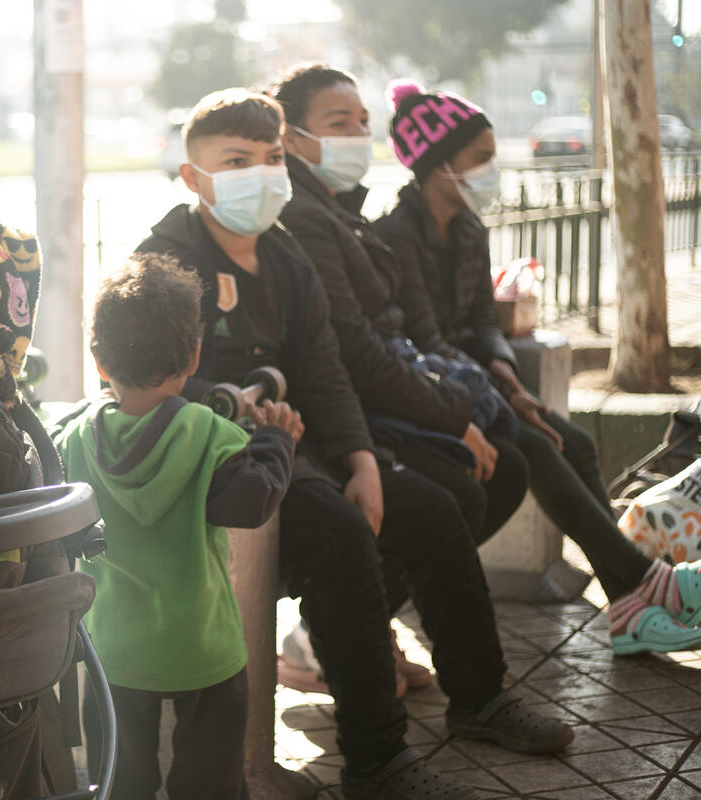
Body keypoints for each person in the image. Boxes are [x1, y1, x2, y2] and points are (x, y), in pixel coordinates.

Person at [137, 87, 572, 800]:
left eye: (271, 158)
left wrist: (365, 461)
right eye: (235, 161)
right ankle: (377, 762)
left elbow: (325, 371)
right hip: (225, 459)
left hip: (306, 443)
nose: (260, 173)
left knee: (432, 508)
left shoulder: (282, 254)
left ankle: (481, 700)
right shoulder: (166, 261)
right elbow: (152, 386)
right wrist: (256, 428)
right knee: (339, 532)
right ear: (193, 177)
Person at [373, 79, 701, 655]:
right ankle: (645, 586)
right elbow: (427, 339)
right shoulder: (392, 236)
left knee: (575, 445)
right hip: (430, 395)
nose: (493, 170)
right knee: (538, 446)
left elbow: (483, 319)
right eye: (480, 159)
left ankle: (628, 609)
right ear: (439, 165)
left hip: (478, 384)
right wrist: (505, 390)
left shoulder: (467, 226)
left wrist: (503, 369)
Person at [267, 65, 530, 686]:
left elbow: (421, 333)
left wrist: (466, 398)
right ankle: (349, 640)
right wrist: (448, 414)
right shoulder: (308, 215)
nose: (360, 133)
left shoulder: (337, 207)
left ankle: (345, 633)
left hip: (369, 401)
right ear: (293, 135)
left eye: (362, 120)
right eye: (340, 123)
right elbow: (357, 350)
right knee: (454, 493)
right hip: (339, 416)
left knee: (506, 467)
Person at [58, 253, 301, 800]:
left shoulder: (75, 438)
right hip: (203, 648)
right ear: (194, 355)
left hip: (113, 651)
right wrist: (277, 440)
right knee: (211, 784)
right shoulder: (209, 433)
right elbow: (253, 501)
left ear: (99, 360)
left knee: (120, 782)